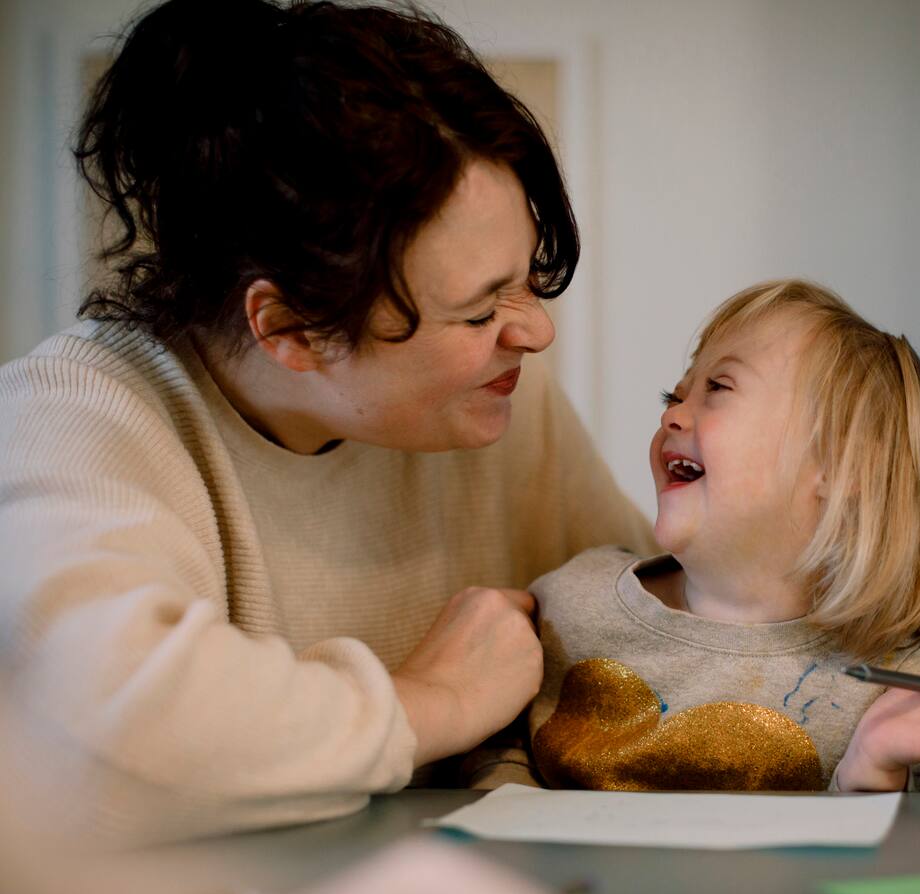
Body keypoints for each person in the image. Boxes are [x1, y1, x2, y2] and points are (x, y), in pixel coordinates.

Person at [0, 0, 656, 844]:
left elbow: (667, 634)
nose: (534, 331)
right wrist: (433, 702)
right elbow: (97, 737)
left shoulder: (500, 410)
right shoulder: (70, 421)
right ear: (290, 329)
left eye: (525, 281)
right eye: (478, 309)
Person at [466, 280, 920, 792]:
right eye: (675, 395)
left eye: (717, 388)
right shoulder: (570, 600)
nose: (672, 415)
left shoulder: (896, 686)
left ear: (843, 469)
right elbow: (494, 755)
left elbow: (918, 857)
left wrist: (869, 773)